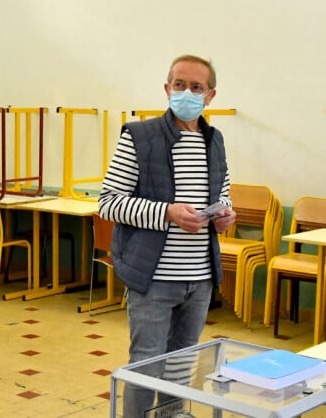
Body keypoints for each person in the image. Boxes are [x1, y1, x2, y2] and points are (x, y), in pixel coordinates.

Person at [98, 54, 236, 417]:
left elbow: (223, 195)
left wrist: (225, 215)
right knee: (147, 365)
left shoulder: (214, 140)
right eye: (179, 85)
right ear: (166, 89)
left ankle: (172, 414)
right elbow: (109, 203)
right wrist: (167, 213)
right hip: (154, 277)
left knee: (183, 360)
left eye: (196, 87)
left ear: (210, 96)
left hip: (200, 277)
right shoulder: (138, 137)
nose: (186, 93)